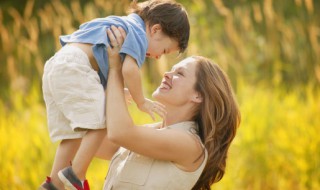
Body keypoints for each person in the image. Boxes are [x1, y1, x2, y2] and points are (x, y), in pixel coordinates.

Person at [40, 0, 190, 189]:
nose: (159, 56)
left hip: (58, 65)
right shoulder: (137, 34)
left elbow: (98, 56)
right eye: (165, 50)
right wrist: (141, 101)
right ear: (156, 30)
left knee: (73, 134)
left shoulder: (122, 23)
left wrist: (118, 90)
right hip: (76, 67)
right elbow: (129, 70)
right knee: (105, 116)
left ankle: (53, 184)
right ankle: (76, 174)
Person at [94, 27, 241, 190]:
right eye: (171, 70)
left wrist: (115, 69)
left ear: (198, 95)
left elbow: (120, 133)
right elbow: (94, 142)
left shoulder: (190, 145)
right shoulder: (150, 131)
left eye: (180, 73)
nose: (166, 74)